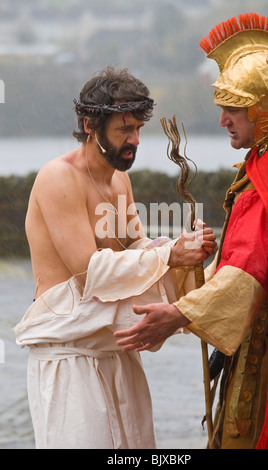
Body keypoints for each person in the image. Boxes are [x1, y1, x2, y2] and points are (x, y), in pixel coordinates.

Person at [115, 14, 268, 449]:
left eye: (232, 109)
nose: (222, 121)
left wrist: (178, 315)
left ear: (267, 107)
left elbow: (248, 274)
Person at [13, 66, 216, 449]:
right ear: (90, 125)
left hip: (116, 349)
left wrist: (185, 251)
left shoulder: (118, 178)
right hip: (68, 356)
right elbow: (89, 272)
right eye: (125, 129)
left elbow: (135, 251)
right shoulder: (58, 178)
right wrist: (169, 254)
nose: (135, 140)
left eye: (139, 128)